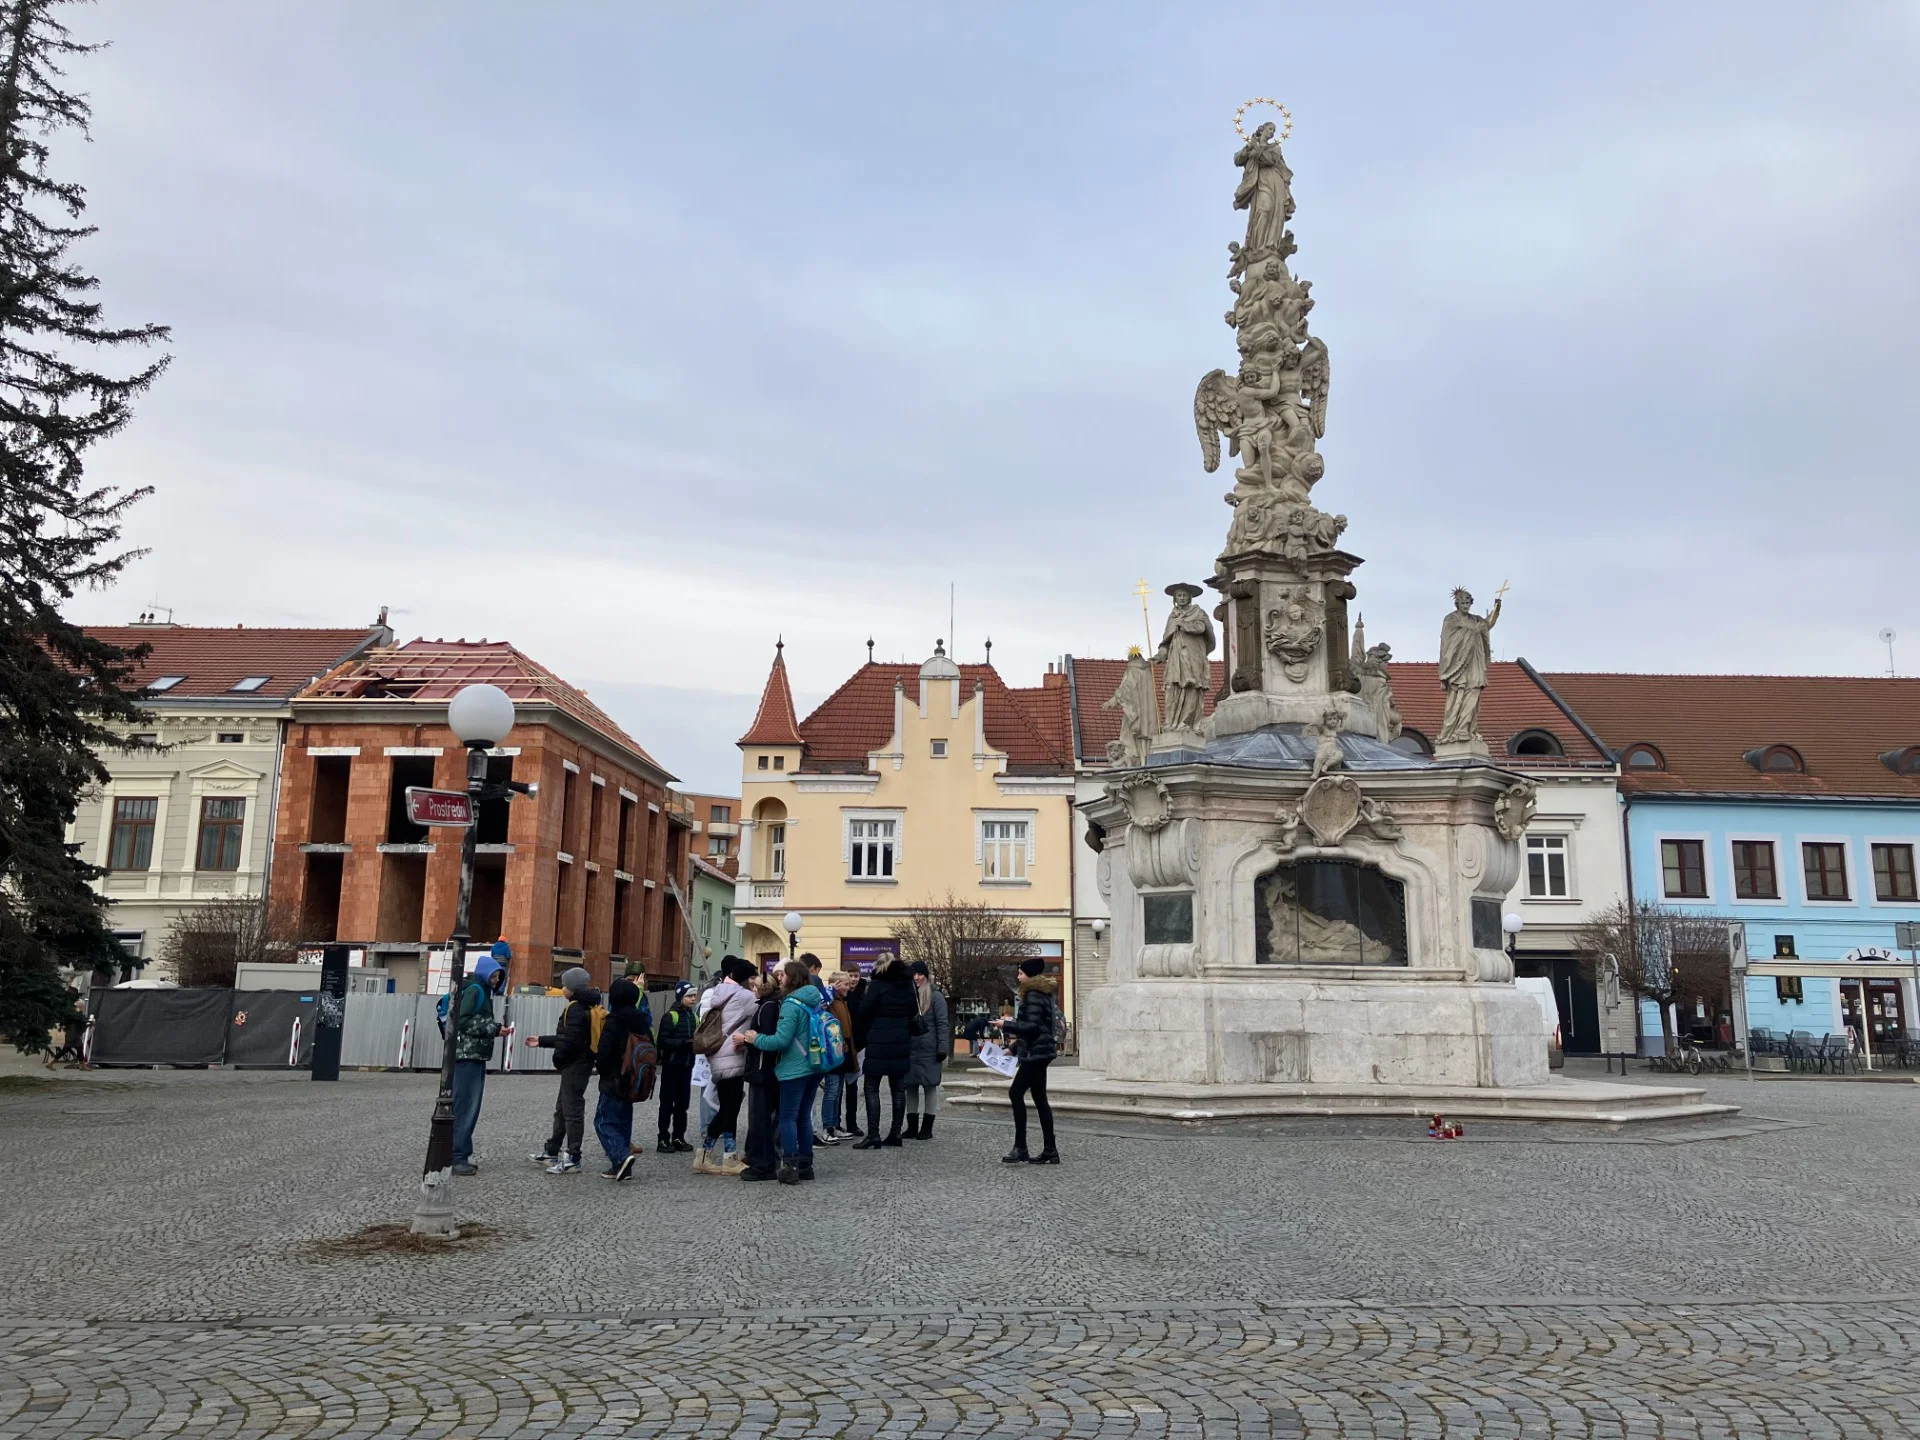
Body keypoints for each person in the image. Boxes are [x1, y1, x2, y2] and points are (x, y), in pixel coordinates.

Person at [736, 959, 827, 1184]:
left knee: (788, 1117)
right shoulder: (814, 998)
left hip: (795, 1068)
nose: (780, 979)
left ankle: (790, 1166)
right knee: (804, 1116)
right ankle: (806, 1165)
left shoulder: (791, 1004)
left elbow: (781, 1040)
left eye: (783, 975)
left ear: (792, 978)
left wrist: (756, 1039)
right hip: (815, 1064)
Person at [526, 966, 601, 1174]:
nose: (562, 988)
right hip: (580, 1064)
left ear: (573, 988)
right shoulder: (587, 1005)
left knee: (572, 1110)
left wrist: (559, 1059)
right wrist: (541, 1040)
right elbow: (569, 1037)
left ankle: (573, 1158)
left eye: (565, 985)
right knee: (562, 1108)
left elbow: (570, 1042)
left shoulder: (575, 1008)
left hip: (575, 1065)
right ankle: (552, 1150)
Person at [448, 952, 508, 1176]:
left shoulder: (478, 990)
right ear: (484, 974)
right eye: (494, 976)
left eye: (498, 977)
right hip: (469, 1056)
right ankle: (457, 1156)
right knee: (466, 1106)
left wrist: (495, 1028)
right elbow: (461, 1020)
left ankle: (459, 1153)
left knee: (466, 1105)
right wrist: (493, 1028)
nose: (496, 980)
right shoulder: (476, 990)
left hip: (473, 1055)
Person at [697, 956, 757, 1175]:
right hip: (732, 1056)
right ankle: (724, 1158)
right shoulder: (744, 996)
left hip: (719, 1055)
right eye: (753, 978)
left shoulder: (720, 992)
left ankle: (708, 1156)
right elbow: (764, 1008)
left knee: (728, 1108)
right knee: (729, 1110)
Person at [998, 957, 1060, 1165]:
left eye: (1021, 973)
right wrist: (1013, 1048)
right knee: (1040, 1099)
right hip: (1040, 1052)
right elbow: (1038, 1028)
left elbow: (1032, 1027)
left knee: (1015, 1093)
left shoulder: (1033, 994)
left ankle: (1021, 1147)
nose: (1018, 977)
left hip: (1036, 1054)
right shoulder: (1041, 993)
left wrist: (1006, 1025)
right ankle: (1050, 1150)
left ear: (1030, 975)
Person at [852, 956, 916, 1149]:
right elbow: (913, 1010)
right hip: (901, 1041)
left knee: (871, 1087)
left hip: (878, 1041)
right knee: (898, 1088)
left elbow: (864, 1011)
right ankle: (896, 1133)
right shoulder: (908, 985)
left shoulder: (878, 984)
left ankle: (873, 1135)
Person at [592, 978, 650, 1182]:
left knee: (603, 1122)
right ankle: (622, 1167)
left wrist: (601, 1068)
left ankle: (621, 1158)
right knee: (624, 1121)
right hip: (634, 1079)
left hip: (614, 1078)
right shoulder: (641, 1020)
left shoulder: (615, 1019)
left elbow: (605, 1052)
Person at [738, 969, 784, 1181]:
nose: (752, 990)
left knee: (760, 1119)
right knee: (762, 1118)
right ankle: (760, 1158)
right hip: (766, 1070)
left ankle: (763, 1164)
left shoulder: (768, 1007)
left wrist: (749, 1039)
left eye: (755, 986)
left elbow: (766, 1040)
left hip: (762, 1070)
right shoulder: (772, 1004)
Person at [903, 960, 950, 1140]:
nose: (916, 977)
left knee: (930, 1086)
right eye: (913, 974)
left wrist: (942, 1048)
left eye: (920, 974)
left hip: (930, 1049)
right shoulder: (907, 994)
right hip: (911, 1048)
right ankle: (912, 1127)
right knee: (910, 1087)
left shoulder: (936, 996)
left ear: (926, 975)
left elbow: (942, 1023)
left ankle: (927, 1128)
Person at [654, 981, 699, 1154]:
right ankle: (663, 1138)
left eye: (694, 995)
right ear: (681, 997)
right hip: (671, 1066)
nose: (693, 998)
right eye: (689, 996)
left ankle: (679, 1137)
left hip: (686, 1066)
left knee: (682, 1104)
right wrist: (684, 1043)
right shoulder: (670, 1016)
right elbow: (662, 1041)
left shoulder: (693, 1017)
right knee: (666, 1104)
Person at [816, 967, 857, 1143]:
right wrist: (831, 990)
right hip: (833, 1050)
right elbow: (819, 1005)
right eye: (845, 984)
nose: (849, 986)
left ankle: (835, 1125)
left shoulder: (842, 1001)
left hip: (843, 1049)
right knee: (832, 1091)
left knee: (838, 1090)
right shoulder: (831, 1000)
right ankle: (828, 1127)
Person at [841, 968, 871, 1138]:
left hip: (859, 1044)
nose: (853, 979)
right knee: (837, 1087)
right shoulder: (840, 993)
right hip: (843, 1044)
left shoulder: (864, 992)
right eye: (850, 976)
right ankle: (835, 1123)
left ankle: (851, 1123)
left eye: (856, 976)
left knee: (852, 1086)